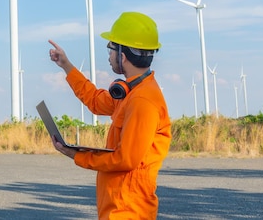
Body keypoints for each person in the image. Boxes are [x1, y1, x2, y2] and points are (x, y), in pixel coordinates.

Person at [48, 11, 171, 220]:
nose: (108, 55)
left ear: (123, 54)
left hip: (128, 212)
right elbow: (96, 101)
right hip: (117, 208)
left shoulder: (143, 101)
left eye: (111, 48)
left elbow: (125, 159)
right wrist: (66, 66)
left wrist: (76, 155)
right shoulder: (129, 92)